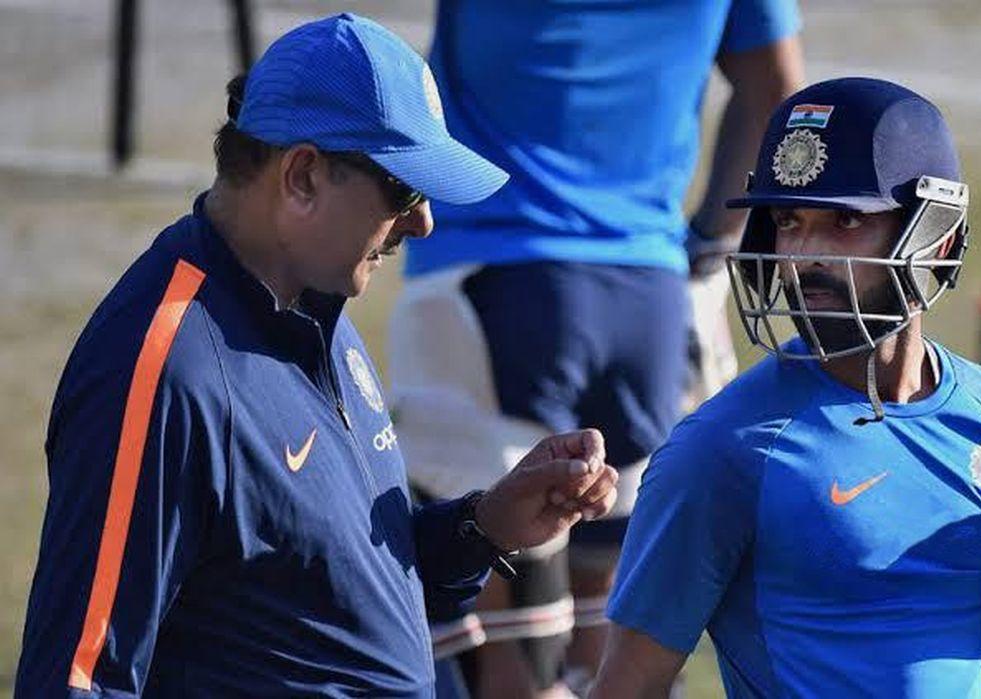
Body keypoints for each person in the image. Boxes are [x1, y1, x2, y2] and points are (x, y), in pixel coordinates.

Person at [15, 13, 618, 697]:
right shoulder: (164, 372)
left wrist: (484, 526)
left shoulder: (314, 306)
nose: (422, 221)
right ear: (302, 176)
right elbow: (77, 678)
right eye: (404, 188)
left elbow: (332, 583)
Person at [590, 77, 981, 698]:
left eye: (845, 220)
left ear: (937, 236)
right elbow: (625, 688)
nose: (806, 254)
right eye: (789, 221)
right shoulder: (721, 451)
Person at [388, 2, 804, 695]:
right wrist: (705, 240)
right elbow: (777, 96)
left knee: (501, 663)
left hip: (489, 286)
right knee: (609, 660)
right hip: (651, 297)